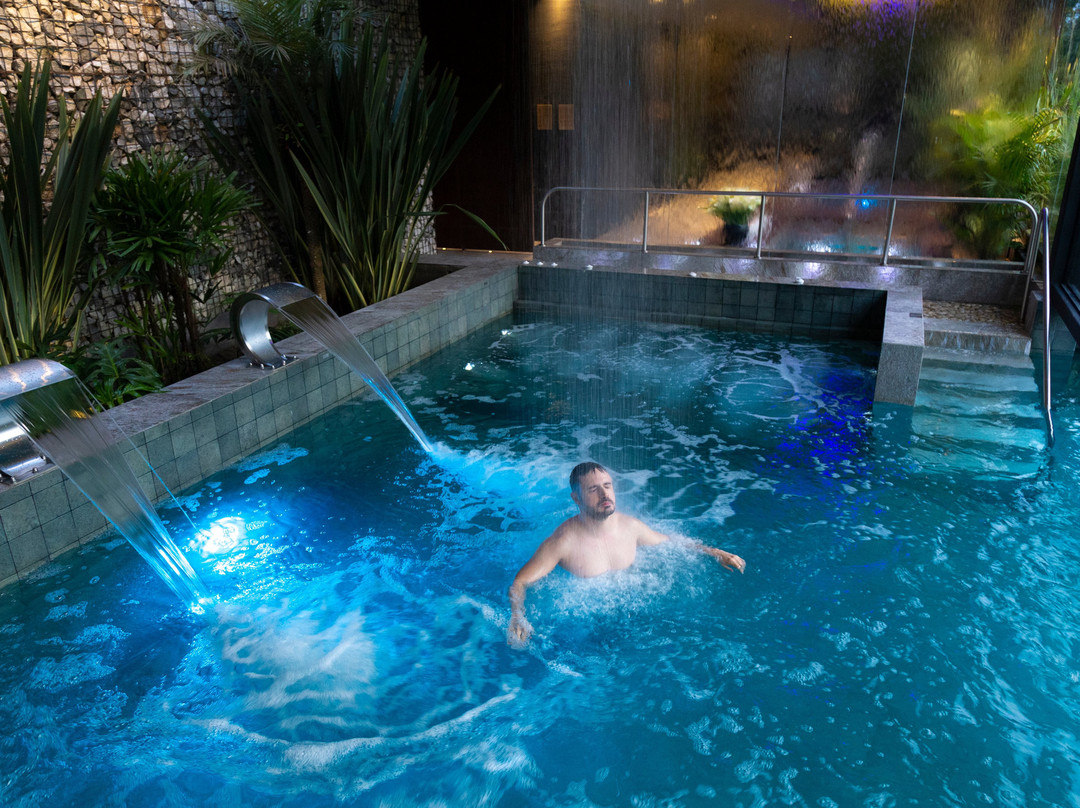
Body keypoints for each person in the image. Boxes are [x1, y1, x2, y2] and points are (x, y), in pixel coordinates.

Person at [508, 461, 746, 644]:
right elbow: (520, 581)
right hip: (582, 633)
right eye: (593, 489)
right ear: (576, 498)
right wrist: (518, 616)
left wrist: (715, 552)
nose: (604, 495)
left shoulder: (630, 527)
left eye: (607, 486)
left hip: (637, 626)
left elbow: (671, 543)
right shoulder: (563, 542)